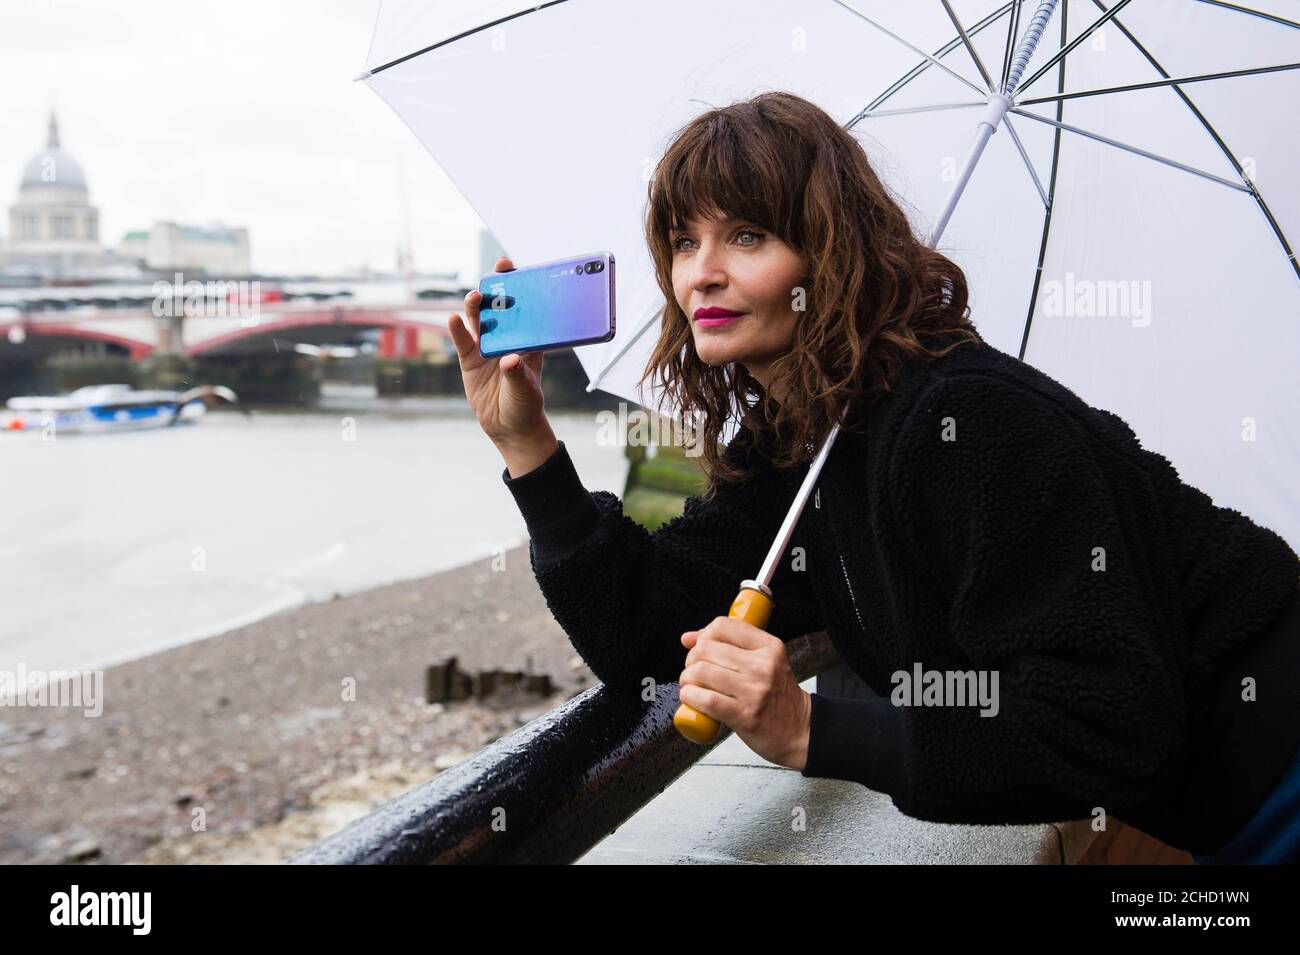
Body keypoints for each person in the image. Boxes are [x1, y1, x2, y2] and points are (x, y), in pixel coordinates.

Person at [446, 91, 1300, 863]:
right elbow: (641, 628)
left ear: (828, 251)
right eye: (683, 240)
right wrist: (528, 449)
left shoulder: (964, 421)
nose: (701, 270)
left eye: (747, 235)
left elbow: (1108, 723)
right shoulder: (807, 446)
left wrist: (810, 726)